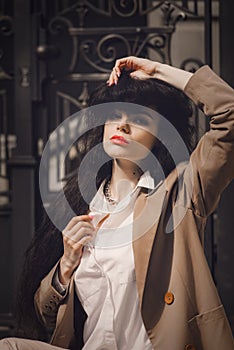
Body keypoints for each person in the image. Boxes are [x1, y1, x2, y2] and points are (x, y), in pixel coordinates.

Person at [1, 56, 234, 350]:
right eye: (115, 114)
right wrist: (66, 265)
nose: (122, 126)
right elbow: (43, 316)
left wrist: (158, 71)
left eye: (138, 120)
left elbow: (230, 114)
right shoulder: (82, 205)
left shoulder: (179, 195)